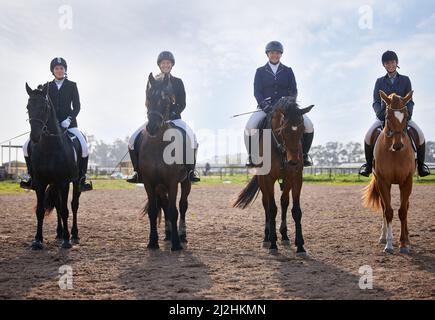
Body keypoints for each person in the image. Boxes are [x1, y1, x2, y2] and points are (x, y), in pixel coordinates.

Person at [20, 57, 93, 191]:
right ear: (52, 71)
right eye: (56, 68)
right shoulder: (46, 86)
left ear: (65, 70)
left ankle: (82, 178)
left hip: (69, 125)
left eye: (61, 68)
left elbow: (77, 107)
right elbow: (40, 101)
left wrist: (69, 120)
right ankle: (32, 177)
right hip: (49, 126)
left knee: (84, 147)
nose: (59, 70)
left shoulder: (72, 85)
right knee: (26, 146)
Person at [127, 51, 200, 183]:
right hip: (155, 118)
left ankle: (190, 171)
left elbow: (182, 103)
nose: (165, 65)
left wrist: (172, 113)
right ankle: (137, 172)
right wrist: (153, 114)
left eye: (168, 63)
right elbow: (147, 100)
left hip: (174, 118)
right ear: (159, 65)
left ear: (172, 65)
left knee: (192, 138)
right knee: (132, 140)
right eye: (163, 63)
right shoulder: (152, 80)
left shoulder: (178, 82)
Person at [359, 50, 430, 177]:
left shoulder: (405, 80)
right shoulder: (379, 81)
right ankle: (368, 166)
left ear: (396, 63)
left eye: (392, 62)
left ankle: (421, 166)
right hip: (383, 116)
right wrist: (379, 113)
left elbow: (410, 100)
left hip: (402, 117)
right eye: (387, 63)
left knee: (420, 134)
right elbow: (375, 101)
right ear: (384, 65)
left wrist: (408, 113)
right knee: (368, 135)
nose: (390, 65)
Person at [245, 41, 314, 167]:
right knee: (250, 127)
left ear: (281, 54)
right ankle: (252, 156)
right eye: (272, 53)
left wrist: (290, 103)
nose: (274, 55)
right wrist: (264, 105)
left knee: (309, 125)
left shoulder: (288, 71)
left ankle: (304, 154)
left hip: (286, 108)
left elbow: (293, 90)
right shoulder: (260, 71)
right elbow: (257, 91)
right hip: (266, 107)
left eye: (277, 53)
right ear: (268, 54)